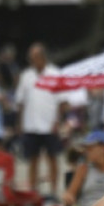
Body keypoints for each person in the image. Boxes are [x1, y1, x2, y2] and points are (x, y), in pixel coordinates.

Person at [16, 43, 66, 195]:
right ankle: (33, 191)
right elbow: (20, 102)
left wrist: (58, 121)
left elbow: (62, 101)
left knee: (52, 158)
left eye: (35, 57)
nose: (33, 60)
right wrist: (20, 123)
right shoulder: (26, 75)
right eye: (31, 58)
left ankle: (53, 191)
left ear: (43, 57)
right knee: (33, 159)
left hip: (50, 124)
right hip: (31, 124)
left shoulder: (55, 73)